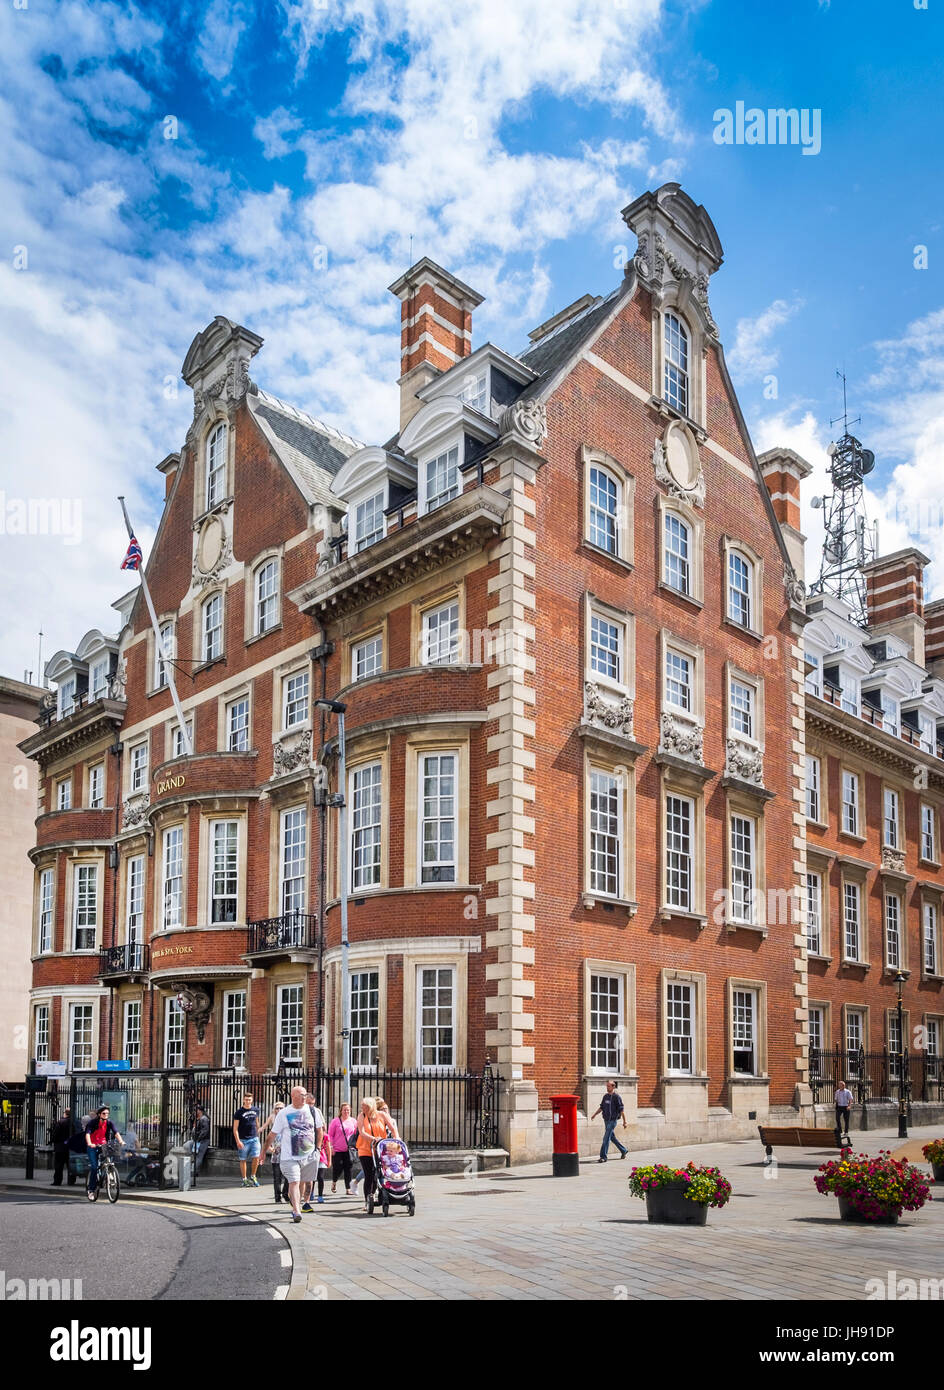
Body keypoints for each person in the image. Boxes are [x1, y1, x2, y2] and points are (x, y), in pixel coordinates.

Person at [272, 1086, 324, 1223]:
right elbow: (272, 1134)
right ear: (293, 1096)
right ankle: (296, 1210)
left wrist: (318, 1149)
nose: (304, 1097)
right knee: (294, 1181)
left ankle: (298, 1203)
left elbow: (320, 1131)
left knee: (306, 1182)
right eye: (301, 1095)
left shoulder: (313, 1111)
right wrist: (263, 1152)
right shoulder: (284, 1113)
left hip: (309, 1155)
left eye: (305, 1095)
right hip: (290, 1157)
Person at [356, 1096, 392, 1210]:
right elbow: (361, 1132)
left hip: (379, 1149)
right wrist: (374, 1138)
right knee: (369, 1175)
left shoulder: (382, 1115)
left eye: (364, 1106)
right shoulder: (361, 1116)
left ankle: (376, 1197)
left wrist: (397, 1138)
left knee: (377, 1175)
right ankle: (367, 1200)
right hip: (365, 1149)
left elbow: (392, 1127)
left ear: (370, 1106)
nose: (362, 1107)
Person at [84, 1105, 125, 1194]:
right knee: (94, 1167)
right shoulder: (92, 1123)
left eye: (107, 1113)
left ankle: (109, 1175)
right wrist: (90, 1143)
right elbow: (87, 1134)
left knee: (109, 1161)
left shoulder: (109, 1123)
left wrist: (121, 1141)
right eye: (104, 1113)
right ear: (99, 1114)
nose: (106, 1115)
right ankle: (91, 1190)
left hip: (104, 1145)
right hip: (93, 1146)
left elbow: (116, 1133)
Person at [300, 1091, 328, 1212]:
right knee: (300, 1178)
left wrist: (318, 1148)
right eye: (309, 1103)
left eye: (313, 1103)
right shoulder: (297, 1111)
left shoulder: (315, 1111)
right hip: (300, 1149)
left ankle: (306, 1202)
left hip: (312, 1150)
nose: (311, 1105)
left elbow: (322, 1129)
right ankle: (298, 1199)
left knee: (310, 1178)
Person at [590, 1080, 628, 1163]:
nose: (607, 1088)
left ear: (613, 1087)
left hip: (613, 1120)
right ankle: (623, 1150)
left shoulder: (616, 1097)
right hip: (606, 1120)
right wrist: (595, 1114)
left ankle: (603, 1157)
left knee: (606, 1138)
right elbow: (602, 1107)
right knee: (612, 1137)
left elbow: (621, 1110)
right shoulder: (605, 1096)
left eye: (609, 1086)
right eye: (607, 1086)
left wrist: (624, 1122)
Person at [232, 1091, 262, 1187]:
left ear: (252, 1100)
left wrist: (259, 1132)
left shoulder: (256, 1110)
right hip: (243, 1139)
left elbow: (257, 1123)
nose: (248, 1101)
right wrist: (238, 1141)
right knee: (243, 1159)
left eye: (249, 1099)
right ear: (243, 1100)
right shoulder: (239, 1112)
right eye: (246, 1099)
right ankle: (244, 1179)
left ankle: (253, 1176)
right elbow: (235, 1128)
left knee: (256, 1157)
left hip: (254, 1138)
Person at [328, 1103, 357, 1195]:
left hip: (349, 1149)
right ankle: (334, 1182)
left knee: (348, 1168)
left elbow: (356, 1134)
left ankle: (348, 1188)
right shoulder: (335, 1121)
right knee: (337, 1168)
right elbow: (330, 1135)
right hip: (337, 1149)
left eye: (348, 1110)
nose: (346, 1112)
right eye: (344, 1110)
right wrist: (331, 1147)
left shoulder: (353, 1121)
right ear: (341, 1111)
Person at [261, 1102, 288, 1202]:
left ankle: (285, 1194)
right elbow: (269, 1138)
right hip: (276, 1155)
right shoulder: (274, 1122)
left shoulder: (288, 1121)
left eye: (281, 1108)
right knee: (277, 1178)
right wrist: (269, 1148)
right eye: (277, 1108)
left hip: (287, 1155)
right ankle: (277, 1197)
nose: (279, 1110)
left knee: (288, 1177)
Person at [51, 1108, 75, 1187]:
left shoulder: (60, 1122)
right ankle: (71, 1180)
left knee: (58, 1165)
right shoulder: (72, 1123)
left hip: (60, 1147)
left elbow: (55, 1135)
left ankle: (57, 1181)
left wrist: (53, 1141)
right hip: (69, 1147)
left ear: (65, 1113)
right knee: (70, 1165)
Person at [191, 1105, 210, 1173]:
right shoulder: (199, 1118)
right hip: (198, 1140)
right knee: (195, 1154)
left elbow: (205, 1130)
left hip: (202, 1140)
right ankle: (194, 1170)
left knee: (199, 1155)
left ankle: (194, 1171)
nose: (194, 1112)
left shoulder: (204, 1119)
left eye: (196, 1110)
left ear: (199, 1111)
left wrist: (199, 1139)